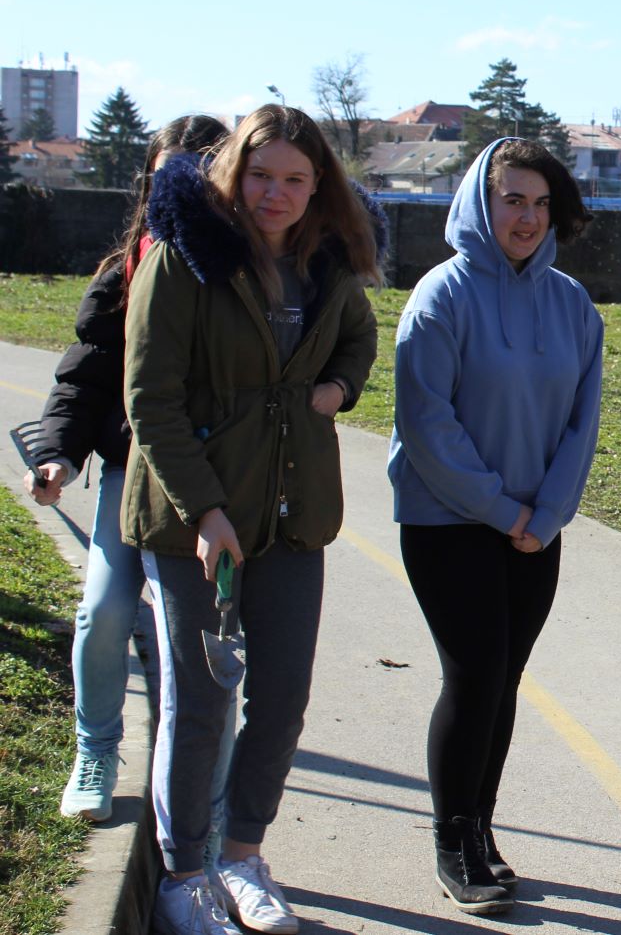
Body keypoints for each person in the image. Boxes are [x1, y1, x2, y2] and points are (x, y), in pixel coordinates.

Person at [125, 103, 381, 935]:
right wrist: (204, 512)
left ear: (319, 187)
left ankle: (242, 857)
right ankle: (183, 876)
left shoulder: (328, 265)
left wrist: (337, 389)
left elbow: (359, 341)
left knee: (281, 699)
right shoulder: (182, 259)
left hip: (292, 515)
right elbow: (150, 400)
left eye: (295, 180)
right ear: (232, 173)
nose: (276, 194)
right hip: (193, 524)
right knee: (201, 704)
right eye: (261, 175)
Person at [388, 137, 603, 915]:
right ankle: (451, 842)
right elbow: (427, 426)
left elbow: (582, 423)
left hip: (534, 532)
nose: (528, 217)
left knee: (504, 680)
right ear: (481, 202)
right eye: (513, 200)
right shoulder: (440, 297)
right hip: (447, 521)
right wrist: (505, 511)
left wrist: (546, 516)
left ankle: (479, 830)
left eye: (541, 203)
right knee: (475, 675)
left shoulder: (572, 306)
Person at [24, 115, 227, 824]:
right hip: (130, 475)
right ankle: (96, 751)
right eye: (168, 174)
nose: (181, 189)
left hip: (219, 486)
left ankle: (208, 797)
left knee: (205, 642)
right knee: (104, 611)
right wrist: (57, 455)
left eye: (199, 174)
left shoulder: (244, 268)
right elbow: (83, 379)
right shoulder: (124, 273)